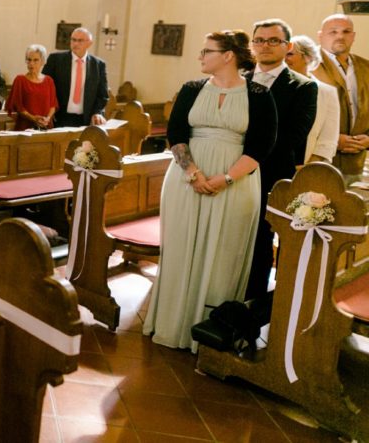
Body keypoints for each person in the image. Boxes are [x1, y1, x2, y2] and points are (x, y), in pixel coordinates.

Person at [143, 31, 276, 351]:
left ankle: (209, 333)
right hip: (185, 180)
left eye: (207, 51)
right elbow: (175, 134)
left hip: (237, 183)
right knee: (181, 247)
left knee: (223, 254)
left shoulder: (258, 94)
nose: (201, 56)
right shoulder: (191, 90)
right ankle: (171, 323)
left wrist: (226, 178)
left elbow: (262, 145)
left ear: (228, 55)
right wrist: (193, 173)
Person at [244, 19, 317, 300]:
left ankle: (250, 306)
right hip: (226, 171)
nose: (265, 45)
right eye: (259, 40)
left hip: (270, 175)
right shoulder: (238, 79)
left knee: (260, 242)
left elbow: (293, 137)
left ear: (287, 46)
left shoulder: (303, 87)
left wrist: (245, 160)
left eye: (273, 40)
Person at [312, 14, 369, 184]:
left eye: (346, 31)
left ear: (353, 36)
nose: (340, 36)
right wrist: (332, 139)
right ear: (320, 36)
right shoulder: (310, 65)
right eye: (333, 32)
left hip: (355, 163)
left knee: (351, 208)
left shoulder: (366, 67)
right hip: (318, 160)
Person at [285, 35, 340, 164]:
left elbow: (328, 139)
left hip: (306, 166)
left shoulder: (327, 93)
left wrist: (308, 168)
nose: (284, 59)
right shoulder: (274, 87)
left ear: (307, 58)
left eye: (290, 54)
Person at [43, 27, 109, 128]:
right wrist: (48, 112)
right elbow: (44, 87)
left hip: (86, 119)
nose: (76, 43)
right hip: (59, 118)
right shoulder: (55, 60)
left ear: (89, 43)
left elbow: (102, 95)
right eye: (73, 40)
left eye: (80, 40)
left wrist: (97, 112)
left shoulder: (98, 65)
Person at [6, 44, 59, 131]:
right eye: (29, 60)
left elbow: (53, 105)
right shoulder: (20, 80)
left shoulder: (49, 81)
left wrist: (47, 119)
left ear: (43, 61)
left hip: (45, 127)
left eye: (35, 60)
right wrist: (34, 118)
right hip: (25, 128)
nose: (31, 63)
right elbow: (18, 107)